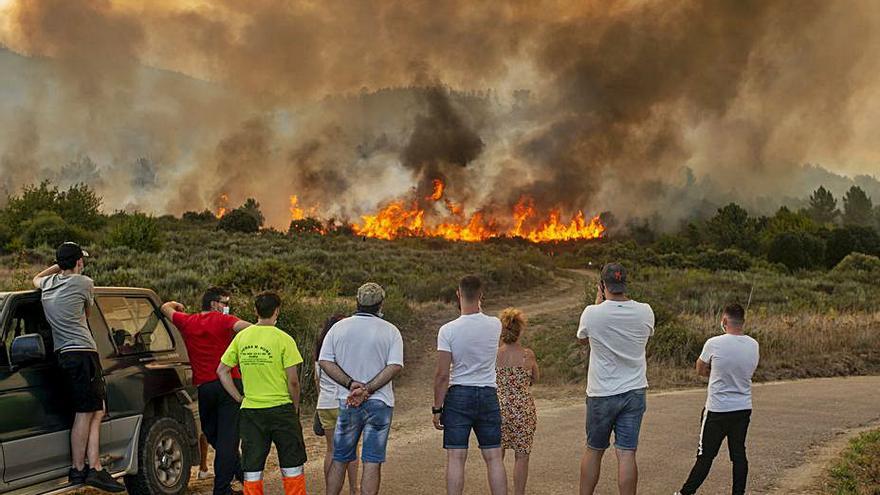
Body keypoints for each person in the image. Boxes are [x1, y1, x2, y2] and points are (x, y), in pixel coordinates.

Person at [33, 242, 125, 492]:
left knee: (96, 409)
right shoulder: (84, 283)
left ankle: (93, 466)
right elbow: (86, 313)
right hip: (83, 353)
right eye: (80, 260)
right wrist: (65, 265)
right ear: (79, 263)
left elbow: (36, 278)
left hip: (64, 354)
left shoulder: (47, 285)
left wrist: (60, 265)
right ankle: (83, 469)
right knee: (86, 412)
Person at [161, 287, 253, 495]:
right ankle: (223, 488)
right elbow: (251, 328)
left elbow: (165, 308)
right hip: (230, 383)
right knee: (226, 440)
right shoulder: (223, 321)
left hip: (205, 388)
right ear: (213, 304)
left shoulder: (187, 321)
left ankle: (238, 474)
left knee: (215, 436)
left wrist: (175, 304)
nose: (226, 307)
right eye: (224, 302)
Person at [217, 292, 308, 495]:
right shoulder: (284, 339)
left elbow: (222, 371)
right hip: (281, 408)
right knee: (292, 463)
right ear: (277, 311)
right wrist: (294, 407)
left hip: (251, 411)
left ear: (255, 311)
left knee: (252, 467)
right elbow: (293, 381)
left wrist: (239, 398)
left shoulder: (242, 337)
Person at [319, 283, 404, 495]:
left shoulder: (338, 328)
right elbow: (394, 365)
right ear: (380, 304)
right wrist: (368, 389)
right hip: (380, 403)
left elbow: (325, 361)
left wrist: (350, 384)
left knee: (340, 458)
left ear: (357, 301)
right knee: (372, 461)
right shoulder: (391, 330)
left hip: (347, 401)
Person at [576, 263, 654, 495]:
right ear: (625, 284)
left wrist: (597, 302)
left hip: (601, 393)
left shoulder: (592, 313)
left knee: (594, 450)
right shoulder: (645, 311)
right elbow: (647, 334)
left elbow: (582, 339)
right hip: (634, 390)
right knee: (627, 453)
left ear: (602, 285)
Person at [433, 275, 508, 495]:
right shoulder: (495, 325)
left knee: (456, 457)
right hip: (487, 393)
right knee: (494, 457)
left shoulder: (447, 330)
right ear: (481, 296)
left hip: (459, 394)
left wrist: (437, 408)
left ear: (458, 294)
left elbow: (442, 375)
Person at [674, 303, 760, 495]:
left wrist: (715, 373)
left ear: (724, 320)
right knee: (738, 454)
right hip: (743, 407)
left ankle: (685, 493)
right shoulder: (754, 344)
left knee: (705, 456)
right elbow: (750, 371)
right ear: (743, 322)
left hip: (717, 409)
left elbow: (700, 368)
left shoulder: (714, 343)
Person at [314, 315, 360, 494]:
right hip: (345, 403)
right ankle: (354, 489)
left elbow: (317, 382)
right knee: (352, 449)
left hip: (325, 403)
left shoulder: (320, 354)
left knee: (331, 450)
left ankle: (331, 489)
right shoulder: (346, 351)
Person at [496, 308, 539, 495]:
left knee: (496, 457)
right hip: (523, 410)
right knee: (522, 457)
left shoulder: (494, 355)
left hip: (498, 409)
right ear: (520, 330)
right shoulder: (527, 355)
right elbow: (536, 378)